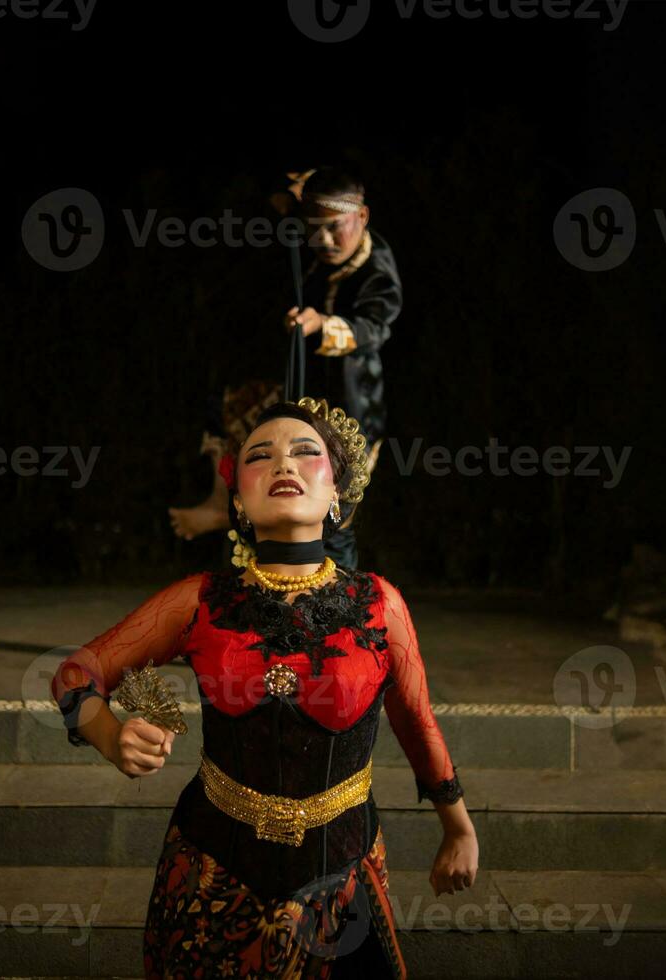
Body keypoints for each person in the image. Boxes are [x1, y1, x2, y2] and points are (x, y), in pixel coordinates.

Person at [57, 399, 477, 978]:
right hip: (209, 878)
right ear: (238, 501)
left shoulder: (380, 605)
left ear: (337, 493)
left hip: (344, 877)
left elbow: (416, 719)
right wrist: (107, 734)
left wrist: (459, 828)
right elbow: (76, 672)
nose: (284, 462)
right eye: (260, 456)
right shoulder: (199, 600)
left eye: (307, 452)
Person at [168, 167, 402, 570]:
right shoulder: (305, 240)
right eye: (314, 229)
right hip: (299, 390)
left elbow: (375, 325)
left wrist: (323, 325)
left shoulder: (376, 266)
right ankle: (222, 506)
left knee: (335, 513)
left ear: (362, 217)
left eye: (335, 228)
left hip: (350, 406)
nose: (324, 241)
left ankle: (338, 615)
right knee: (228, 408)